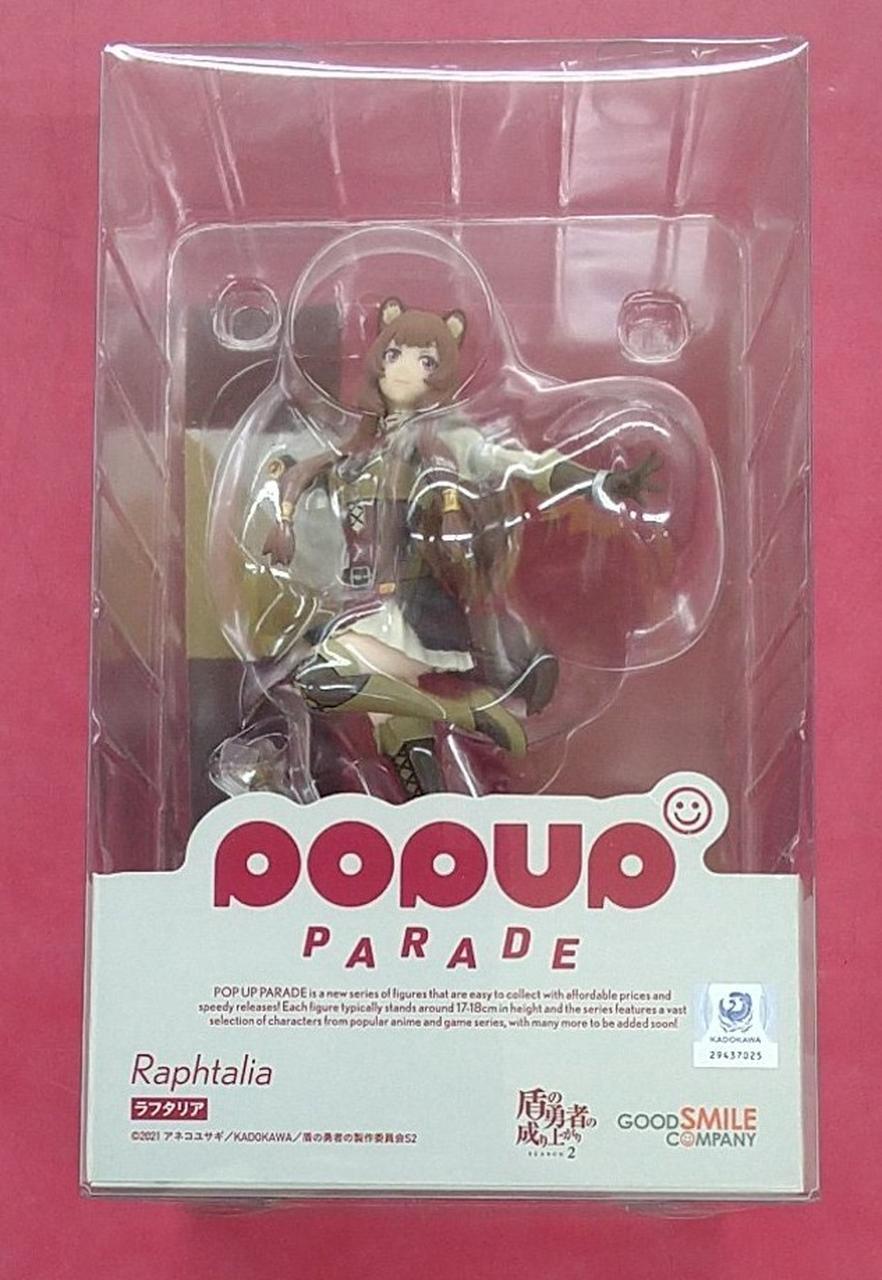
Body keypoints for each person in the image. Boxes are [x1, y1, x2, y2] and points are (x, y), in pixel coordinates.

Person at [262, 297, 658, 796]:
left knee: (319, 680)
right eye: (394, 355)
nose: (404, 370)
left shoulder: (448, 439)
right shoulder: (362, 446)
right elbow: (303, 473)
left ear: (442, 374)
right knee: (392, 722)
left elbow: (517, 463)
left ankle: (463, 712)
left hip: (412, 609)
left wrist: (596, 483)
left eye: (425, 361)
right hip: (365, 604)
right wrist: (283, 520)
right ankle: (430, 810)